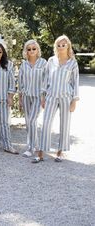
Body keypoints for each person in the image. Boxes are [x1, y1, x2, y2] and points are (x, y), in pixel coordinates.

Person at [32, 35, 79, 163]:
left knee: (64, 123)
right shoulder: (51, 61)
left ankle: (59, 152)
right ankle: (41, 153)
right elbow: (45, 80)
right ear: (56, 46)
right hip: (51, 96)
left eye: (63, 45)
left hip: (66, 96)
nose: (61, 47)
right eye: (58, 45)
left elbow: (75, 81)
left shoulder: (73, 63)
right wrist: (43, 96)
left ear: (68, 46)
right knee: (46, 123)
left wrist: (74, 100)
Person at [0, 43, 19, 154]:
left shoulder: (9, 65)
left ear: (3, 53)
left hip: (4, 98)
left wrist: (10, 97)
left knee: (4, 122)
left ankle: (8, 145)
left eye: (0, 51)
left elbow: (12, 82)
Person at [18, 40, 47, 157]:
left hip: (38, 97)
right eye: (29, 49)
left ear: (37, 50)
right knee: (28, 122)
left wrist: (44, 97)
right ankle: (35, 145)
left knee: (32, 120)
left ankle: (30, 148)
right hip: (26, 96)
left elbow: (46, 81)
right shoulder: (24, 64)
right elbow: (20, 82)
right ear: (26, 51)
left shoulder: (44, 63)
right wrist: (20, 99)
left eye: (34, 48)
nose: (31, 51)